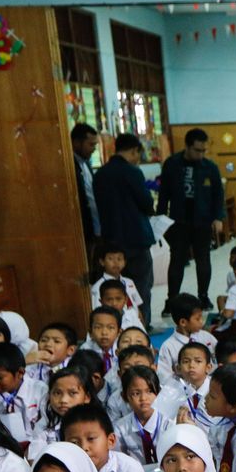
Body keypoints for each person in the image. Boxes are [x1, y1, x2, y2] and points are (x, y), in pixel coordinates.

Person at [158, 128, 224, 312]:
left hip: (202, 221)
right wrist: (160, 220)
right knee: (177, 260)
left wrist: (218, 217)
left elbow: (218, 194)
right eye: (197, 150)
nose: (201, 154)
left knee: (203, 259)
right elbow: (164, 194)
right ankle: (171, 300)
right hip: (178, 221)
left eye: (204, 150)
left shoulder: (210, 167)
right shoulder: (172, 164)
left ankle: (203, 296)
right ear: (187, 146)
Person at [94, 133, 156, 326]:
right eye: (138, 154)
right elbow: (146, 202)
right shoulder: (132, 172)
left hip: (111, 241)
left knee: (113, 287)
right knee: (141, 286)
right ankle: (142, 326)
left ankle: (113, 325)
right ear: (133, 151)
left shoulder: (100, 174)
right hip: (136, 239)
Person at [71, 122, 101, 254]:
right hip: (83, 231)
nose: (94, 149)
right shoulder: (70, 165)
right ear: (77, 142)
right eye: (91, 144)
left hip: (96, 229)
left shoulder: (86, 164)